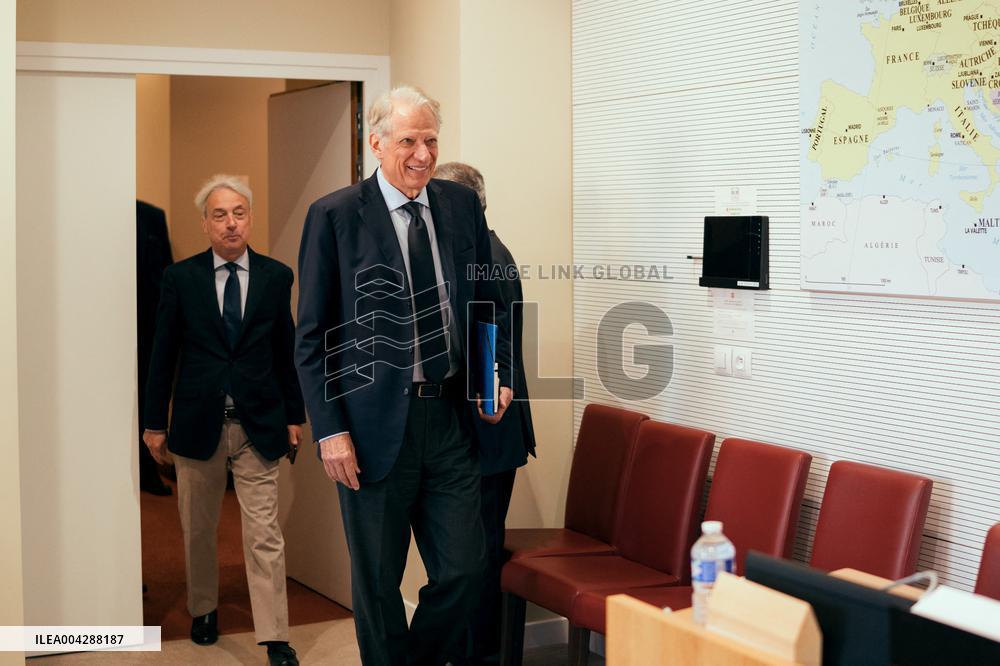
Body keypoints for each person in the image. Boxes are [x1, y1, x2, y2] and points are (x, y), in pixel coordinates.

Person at [295, 86, 514, 666]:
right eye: (408, 141)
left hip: (449, 422)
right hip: (368, 430)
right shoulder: (335, 216)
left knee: (468, 569)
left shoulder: (459, 206)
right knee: (377, 584)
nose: (422, 154)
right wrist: (328, 429)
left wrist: (498, 373)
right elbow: (312, 338)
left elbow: (488, 304)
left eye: (431, 140)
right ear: (377, 143)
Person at [143, 175, 304, 666]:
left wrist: (295, 415)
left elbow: (285, 351)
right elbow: (162, 354)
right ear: (205, 224)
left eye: (239, 212)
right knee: (197, 527)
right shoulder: (181, 278)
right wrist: (154, 423)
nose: (231, 222)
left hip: (259, 423)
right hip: (196, 422)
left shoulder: (277, 276)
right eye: (220, 214)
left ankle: (276, 635)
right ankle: (204, 609)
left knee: (264, 534)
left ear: (250, 218)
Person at [433, 162, 536, 664]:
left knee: (477, 558)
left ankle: (479, 656)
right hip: (483, 435)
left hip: (488, 434)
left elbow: (490, 349)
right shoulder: (477, 253)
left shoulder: (484, 258)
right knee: (470, 558)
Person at [136, 200, 174, 496]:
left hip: (148, 326)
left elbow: (164, 274)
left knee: (147, 392)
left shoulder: (151, 215)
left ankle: (148, 470)